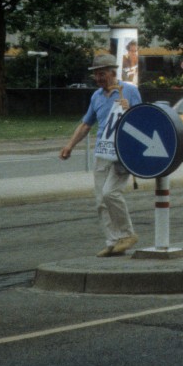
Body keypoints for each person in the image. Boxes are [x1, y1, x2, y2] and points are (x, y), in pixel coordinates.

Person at [59, 53, 143, 256]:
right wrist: (70, 145)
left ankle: (127, 234)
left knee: (110, 193)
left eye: (102, 74)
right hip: (102, 152)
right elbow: (87, 123)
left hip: (122, 152)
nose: (98, 79)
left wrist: (129, 109)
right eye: (95, 75)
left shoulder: (129, 91)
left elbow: (142, 120)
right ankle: (113, 241)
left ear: (113, 73)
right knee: (100, 200)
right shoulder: (96, 96)